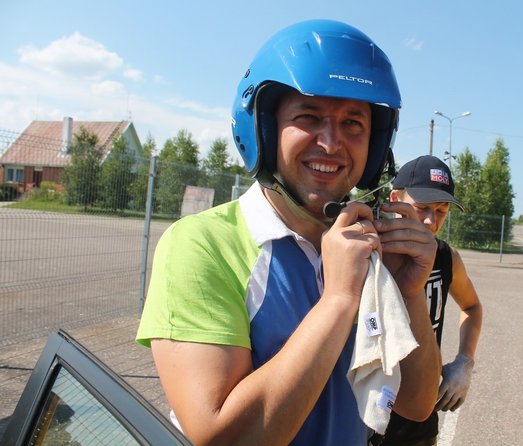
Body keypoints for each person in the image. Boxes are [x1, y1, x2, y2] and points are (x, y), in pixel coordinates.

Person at [136, 20, 441, 446]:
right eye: (309, 117)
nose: (332, 143)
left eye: (354, 123)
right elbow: (224, 438)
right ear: (264, 129)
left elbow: (416, 402)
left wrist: (409, 292)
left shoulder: (366, 247)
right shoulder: (201, 246)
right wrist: (337, 301)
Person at [376, 155, 483, 446]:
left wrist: (465, 362)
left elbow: (472, 307)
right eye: (422, 208)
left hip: (420, 419)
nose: (430, 221)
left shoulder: (446, 258)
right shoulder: (371, 252)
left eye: (441, 211)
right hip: (367, 414)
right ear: (395, 198)